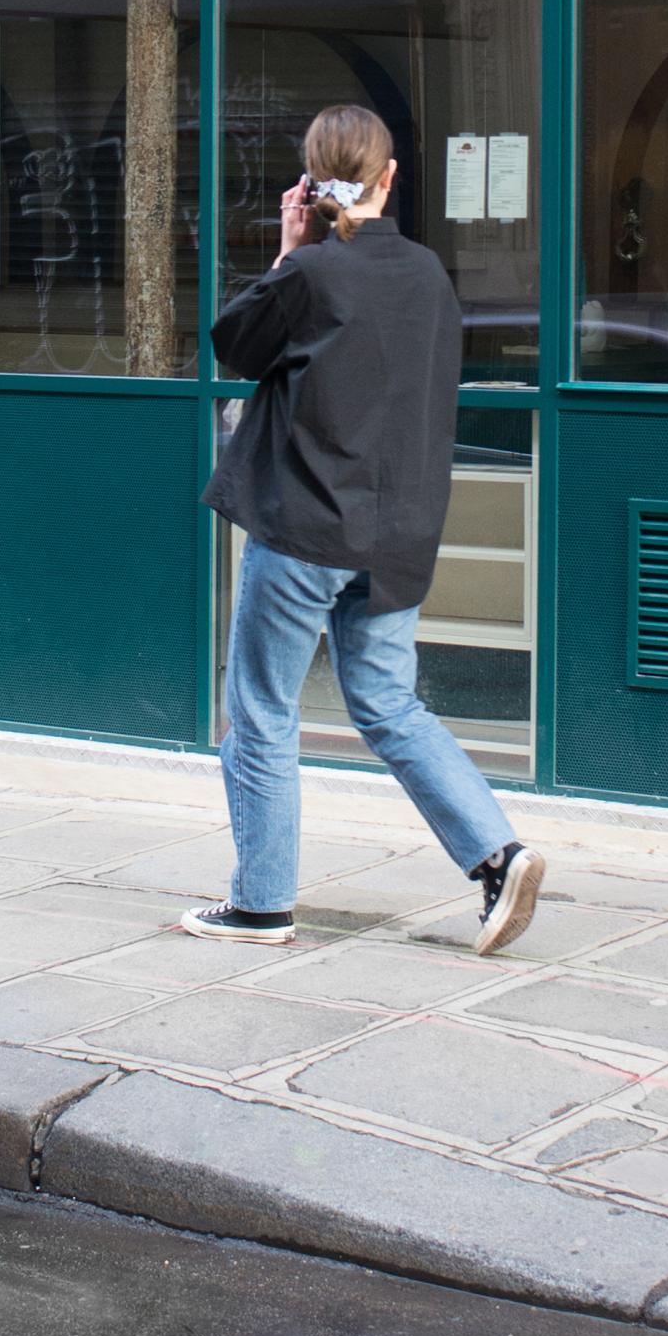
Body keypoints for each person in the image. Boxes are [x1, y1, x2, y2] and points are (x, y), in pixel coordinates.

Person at [185, 104, 544, 956]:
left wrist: (287, 248)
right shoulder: (427, 275)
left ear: (311, 184)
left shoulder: (311, 273)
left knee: (262, 711)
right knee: (388, 705)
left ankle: (261, 905)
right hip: (397, 534)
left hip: (307, 527)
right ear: (391, 177)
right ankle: (498, 854)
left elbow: (234, 344)